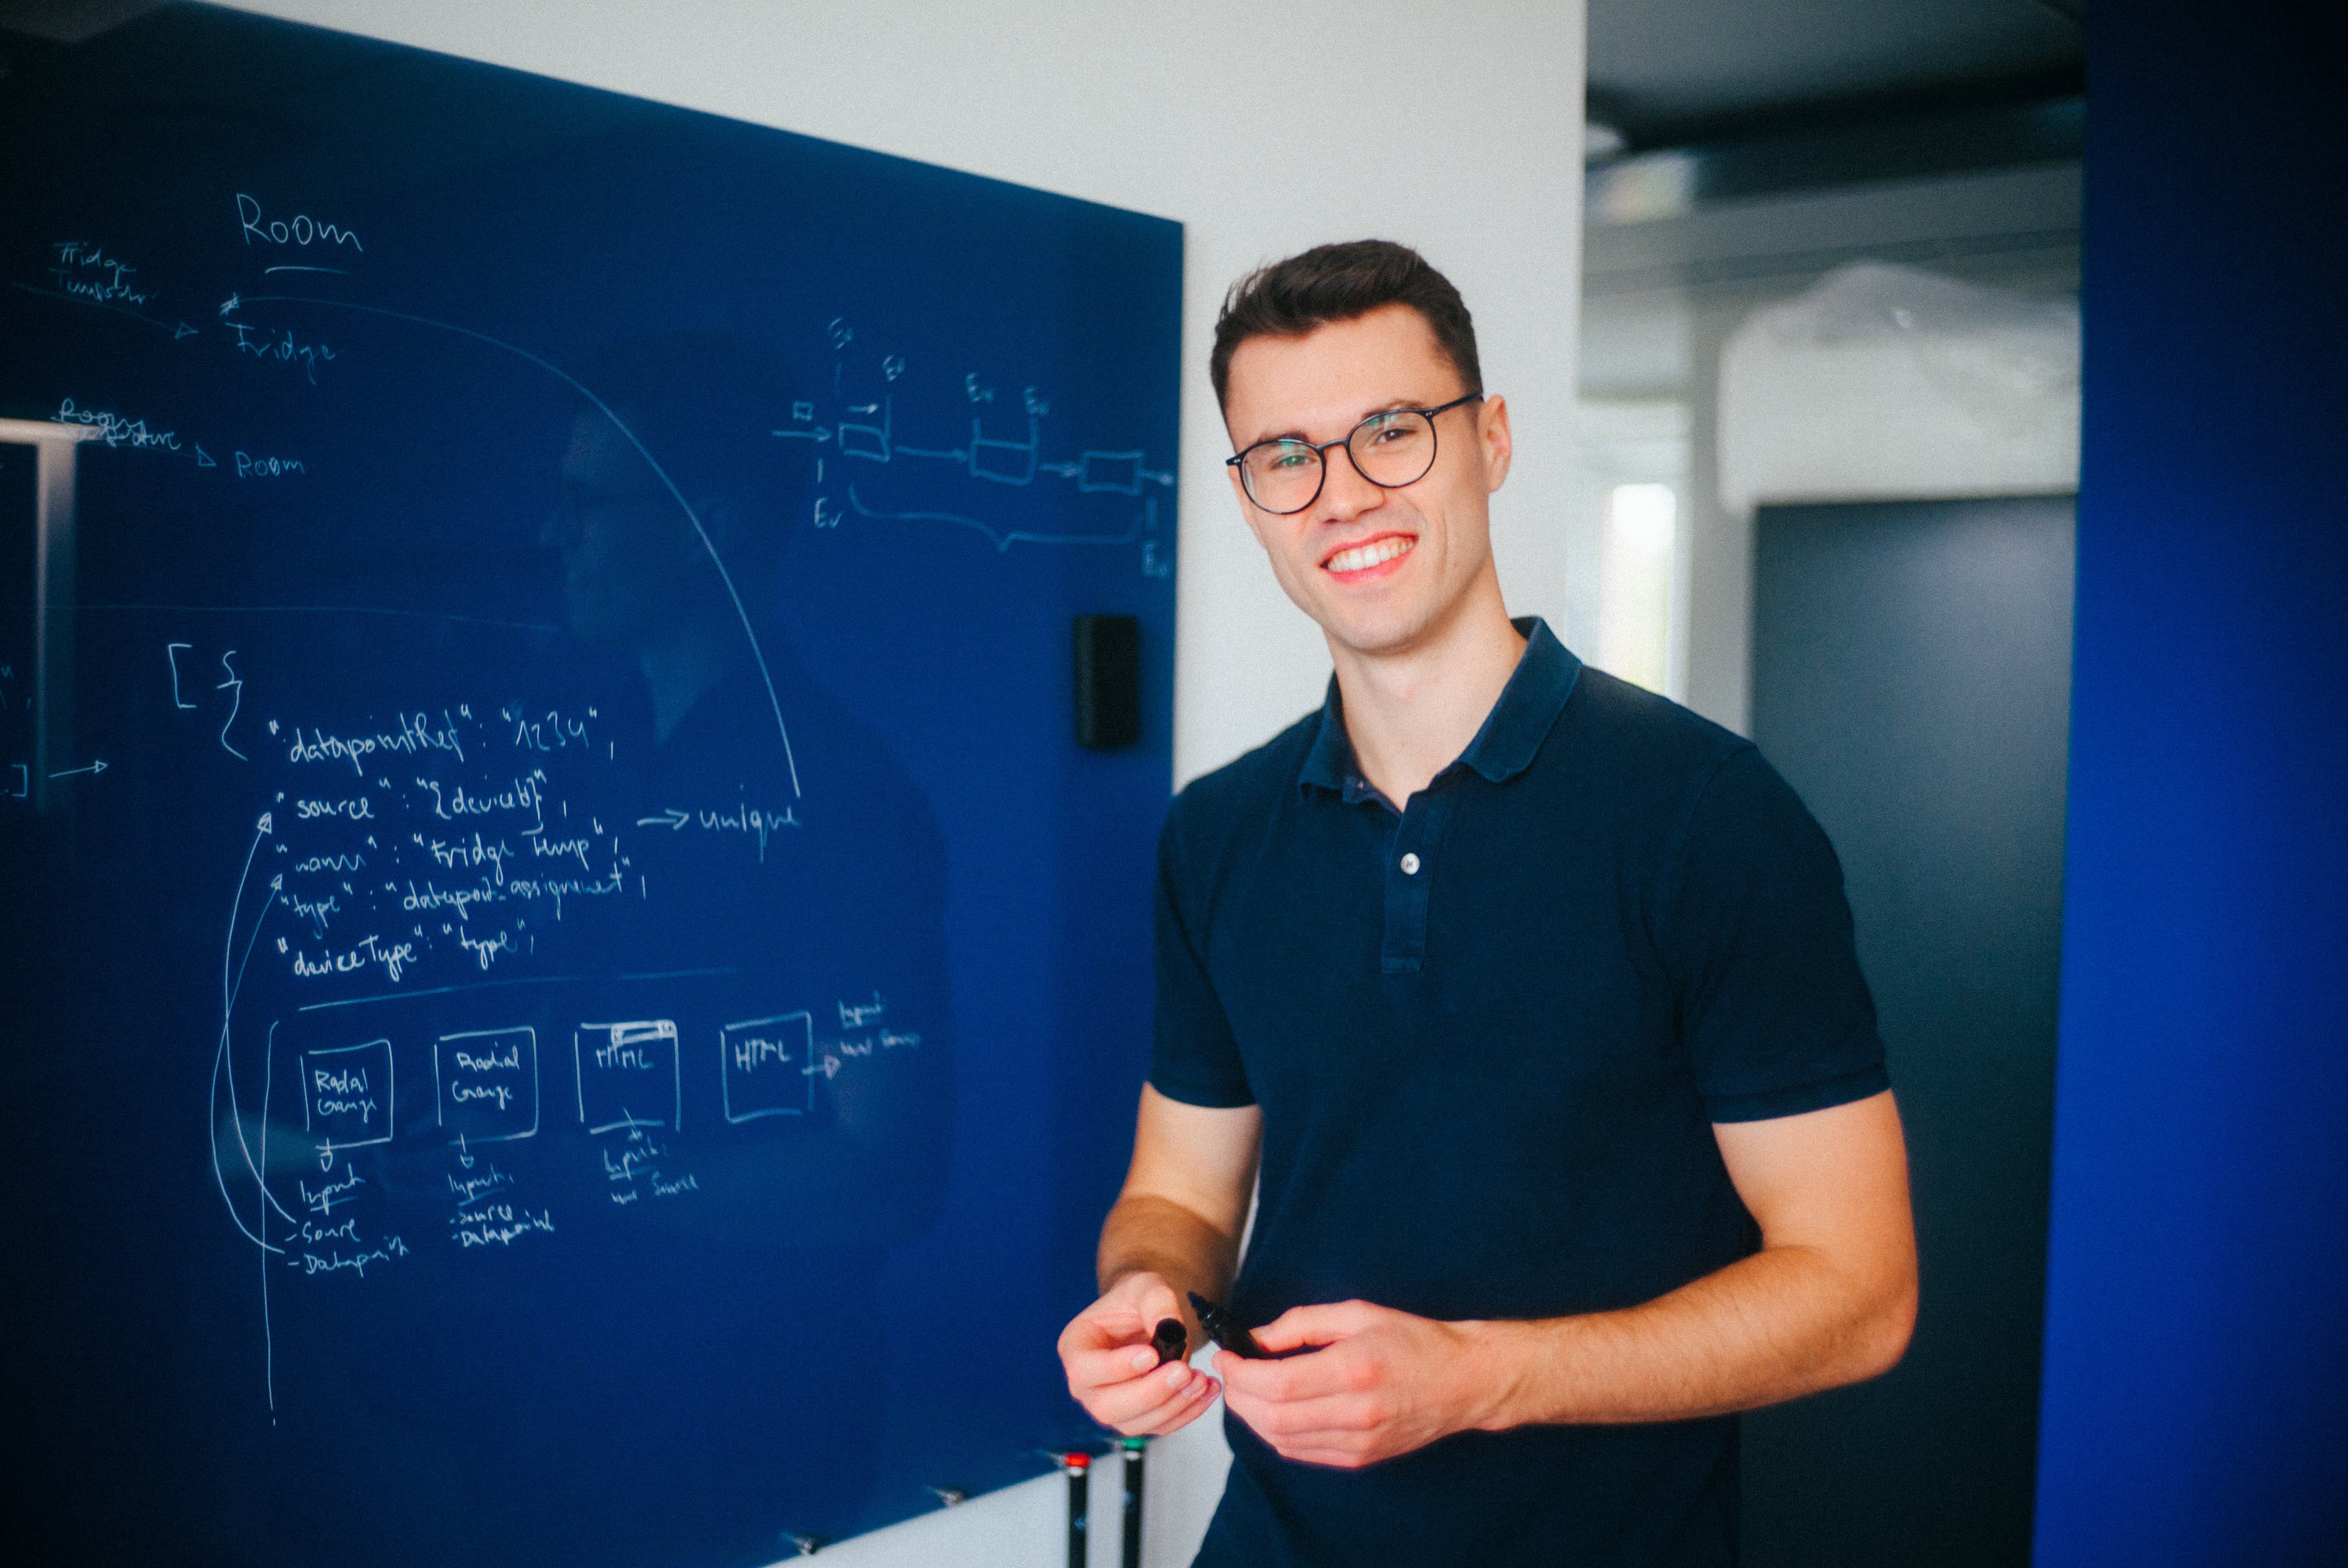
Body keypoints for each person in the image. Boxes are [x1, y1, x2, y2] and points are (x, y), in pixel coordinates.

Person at [1056, 241, 1918, 1566]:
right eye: (1286, 455)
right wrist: (1150, 1296)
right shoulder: (1217, 833)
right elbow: (1182, 1189)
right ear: (1248, 495)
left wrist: (1475, 1375)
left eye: (1390, 432)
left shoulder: (1709, 815)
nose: (1341, 494)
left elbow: (1860, 1292)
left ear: (1492, 439)